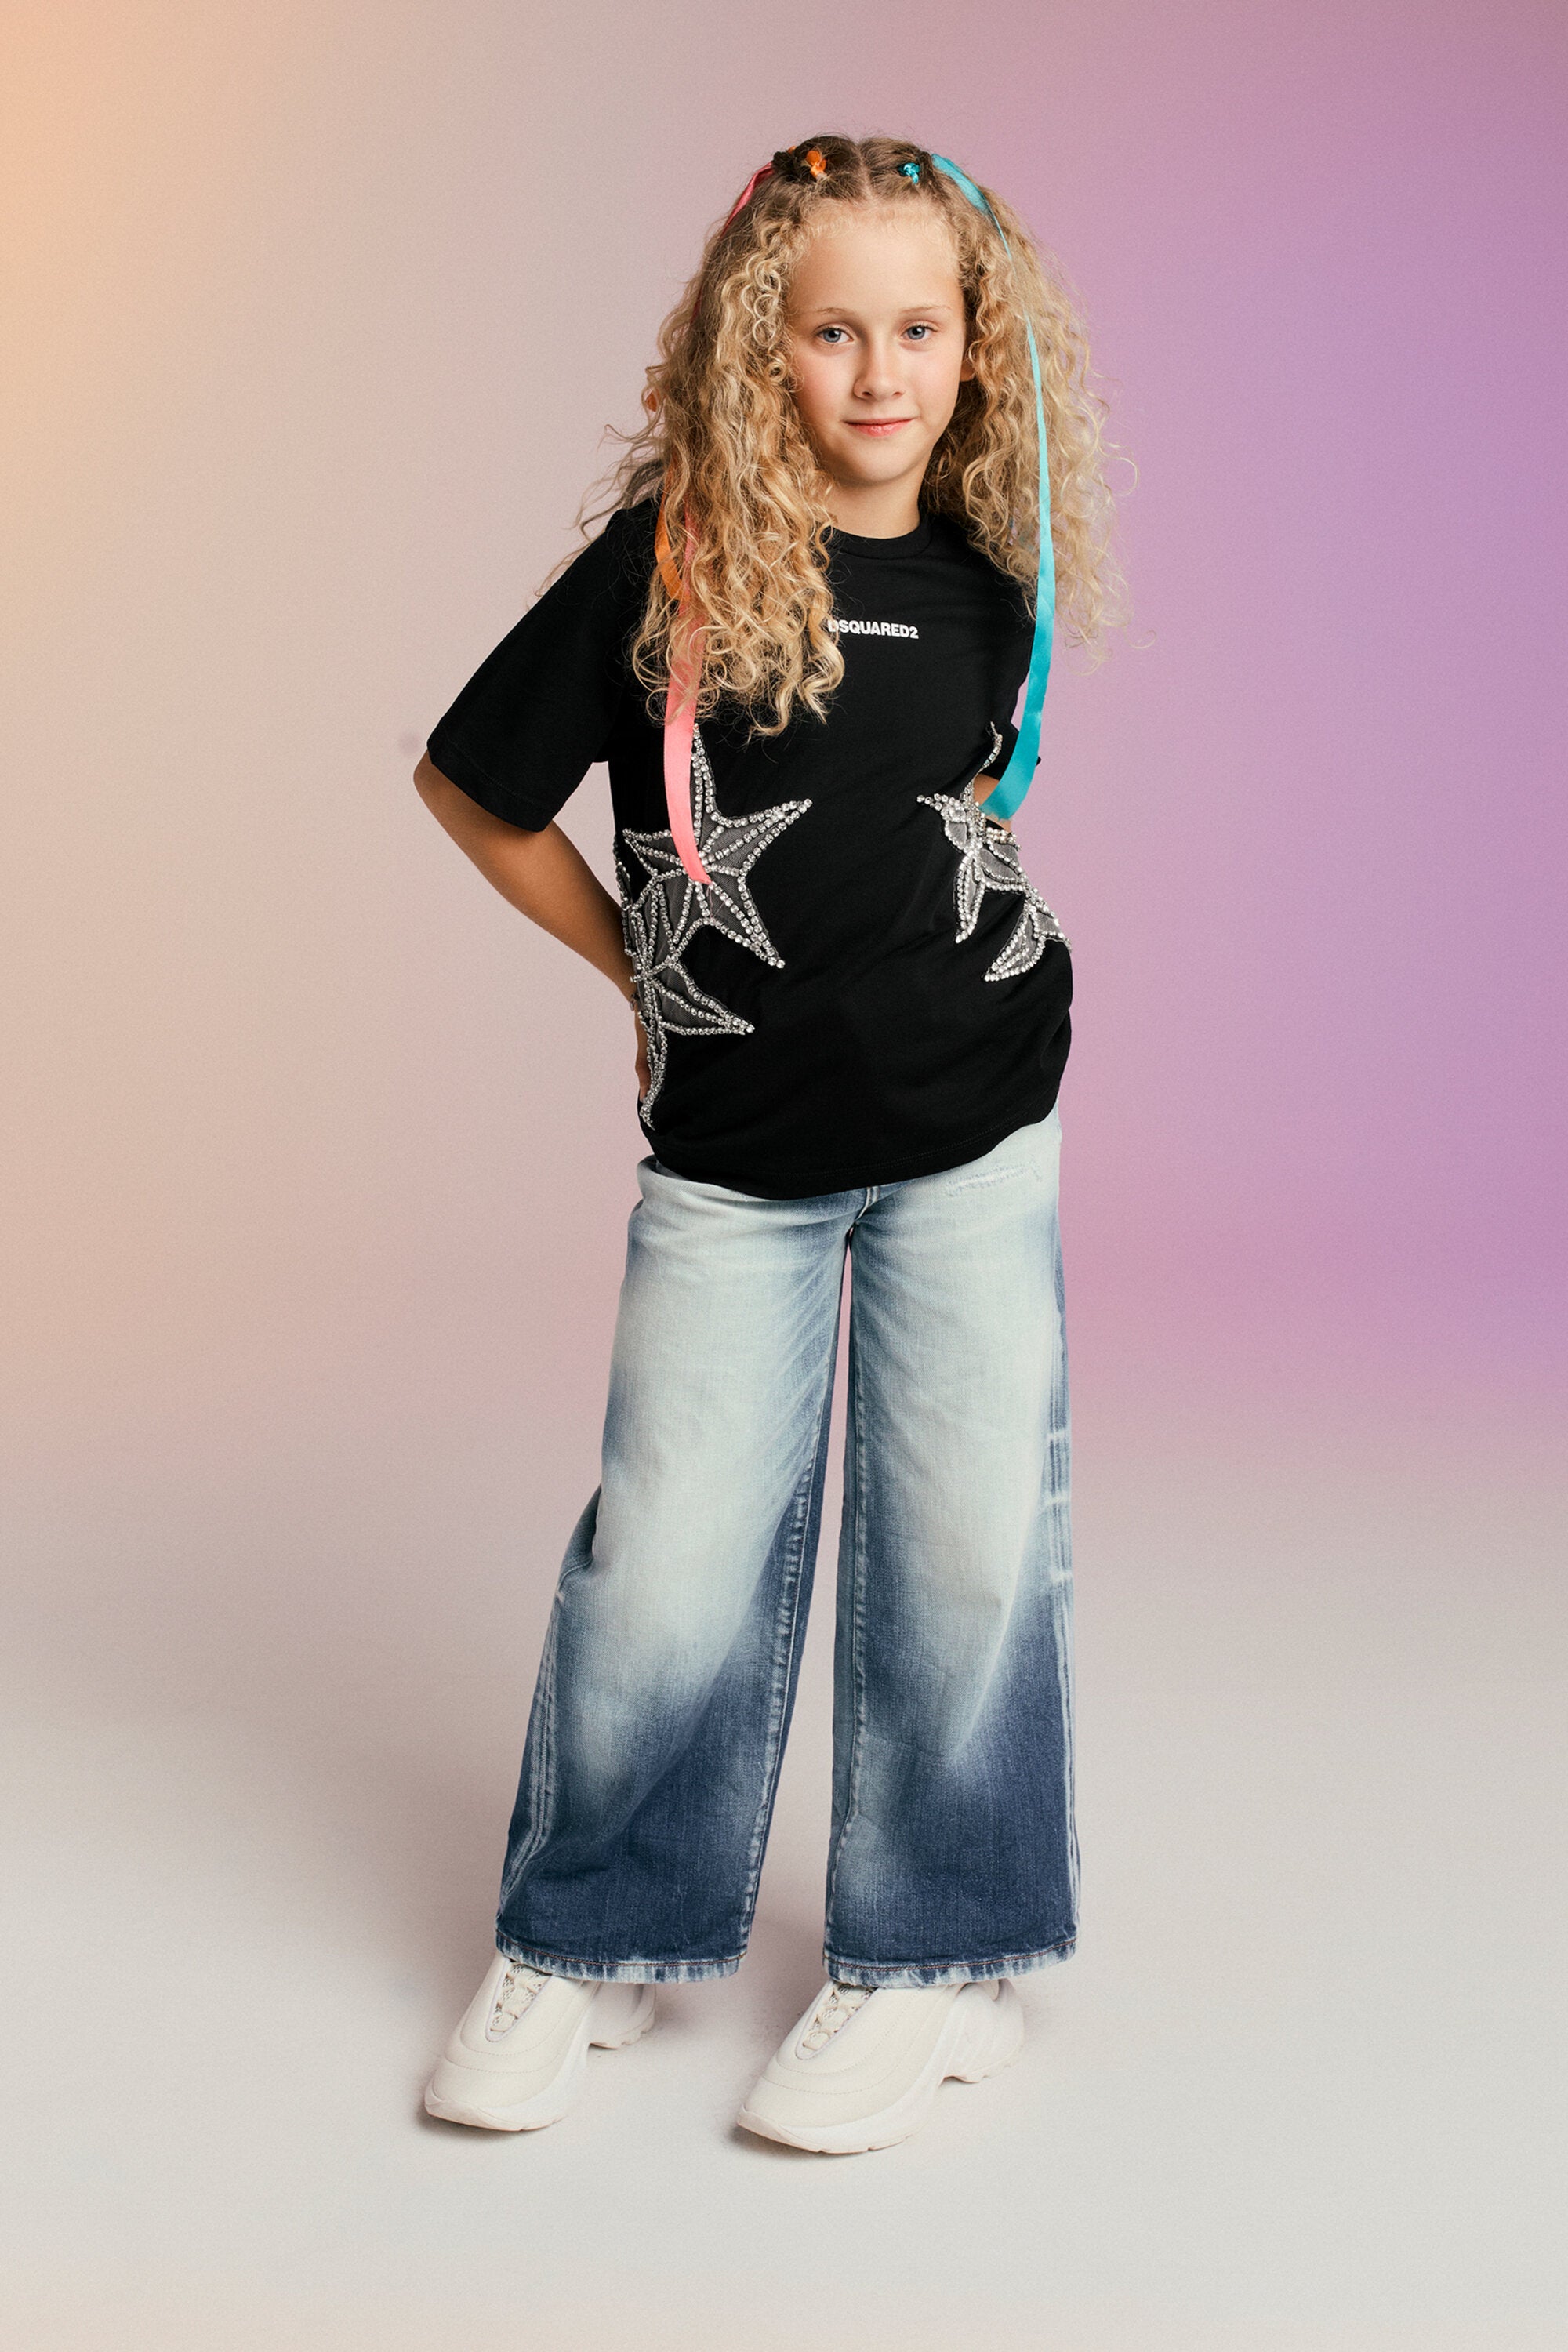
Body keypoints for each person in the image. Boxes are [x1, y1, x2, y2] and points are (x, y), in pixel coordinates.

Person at [413, 133, 1127, 2154]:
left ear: (979, 346)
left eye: (920, 329)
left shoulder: (996, 573)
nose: (880, 373)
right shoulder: (672, 567)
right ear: (760, 344)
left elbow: (955, 822)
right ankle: (596, 1931)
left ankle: (941, 1957)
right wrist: (639, 977)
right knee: (667, 1550)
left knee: (972, 1545)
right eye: (832, 332)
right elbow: (474, 786)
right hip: (736, 1159)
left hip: (976, 1133)